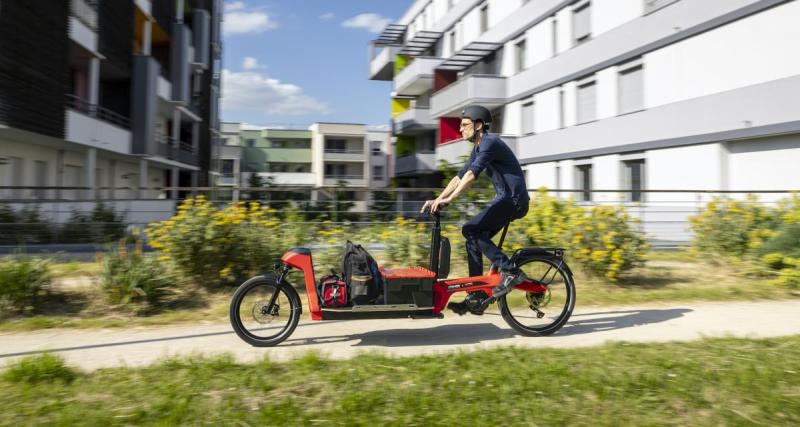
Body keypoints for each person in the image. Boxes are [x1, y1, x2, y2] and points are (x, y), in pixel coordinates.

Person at [421, 105, 530, 315]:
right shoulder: (479, 147)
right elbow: (460, 176)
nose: (460, 129)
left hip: (513, 200)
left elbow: (472, 175)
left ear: (478, 125)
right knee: (473, 236)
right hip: (505, 200)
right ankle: (477, 293)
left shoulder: (489, 142)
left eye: (465, 125)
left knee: (470, 229)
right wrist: (439, 198)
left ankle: (510, 270)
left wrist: (451, 199)